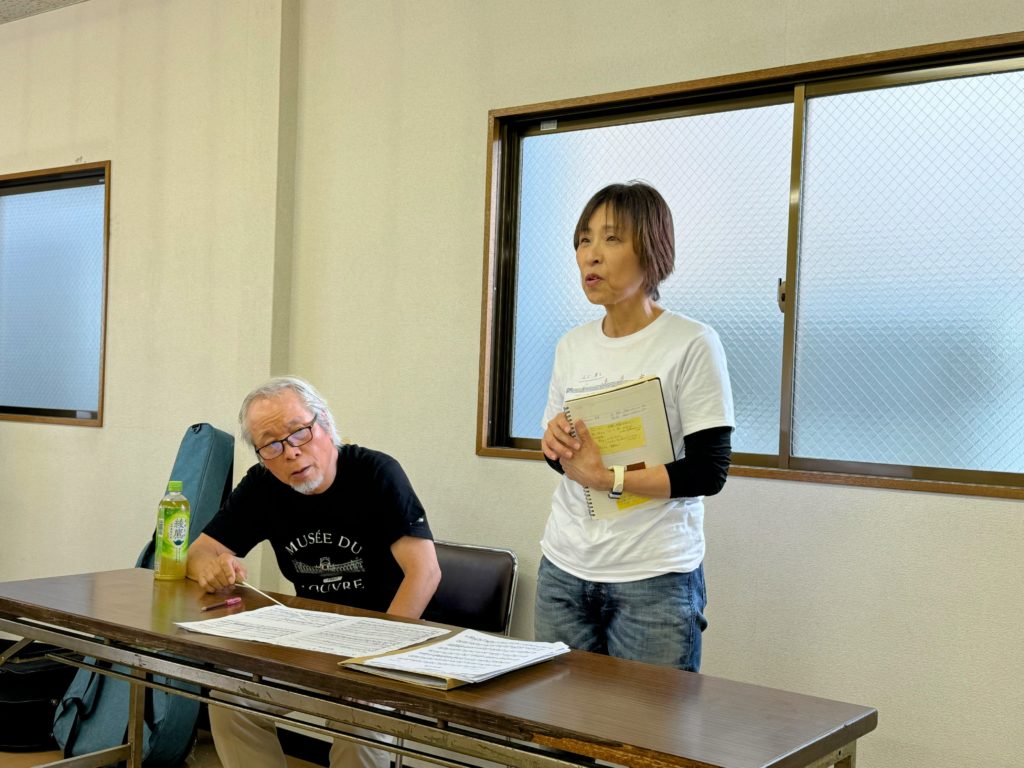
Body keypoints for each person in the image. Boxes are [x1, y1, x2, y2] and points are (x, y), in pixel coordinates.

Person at [188, 376, 441, 768]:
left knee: (359, 725)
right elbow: (199, 552)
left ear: (325, 424)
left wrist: (372, 663)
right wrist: (212, 567)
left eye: (299, 433)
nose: (290, 452)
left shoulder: (376, 473)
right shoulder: (263, 486)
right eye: (271, 445)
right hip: (312, 642)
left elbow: (425, 573)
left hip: (387, 642)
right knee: (231, 700)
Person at [537, 181, 734, 673]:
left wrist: (610, 479)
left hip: (654, 577)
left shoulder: (691, 343)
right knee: (558, 717)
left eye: (611, 239)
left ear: (651, 250)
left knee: (650, 722)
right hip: (563, 569)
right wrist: (554, 444)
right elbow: (558, 454)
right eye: (584, 240)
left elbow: (708, 471)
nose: (591, 255)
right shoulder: (572, 346)